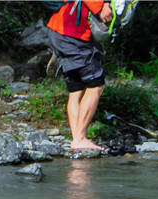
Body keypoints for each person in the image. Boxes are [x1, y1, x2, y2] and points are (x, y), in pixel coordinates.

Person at [46, 0, 113, 151]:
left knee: (76, 90)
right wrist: (101, 7)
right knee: (96, 84)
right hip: (72, 35)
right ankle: (80, 139)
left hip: (57, 31)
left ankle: (77, 139)